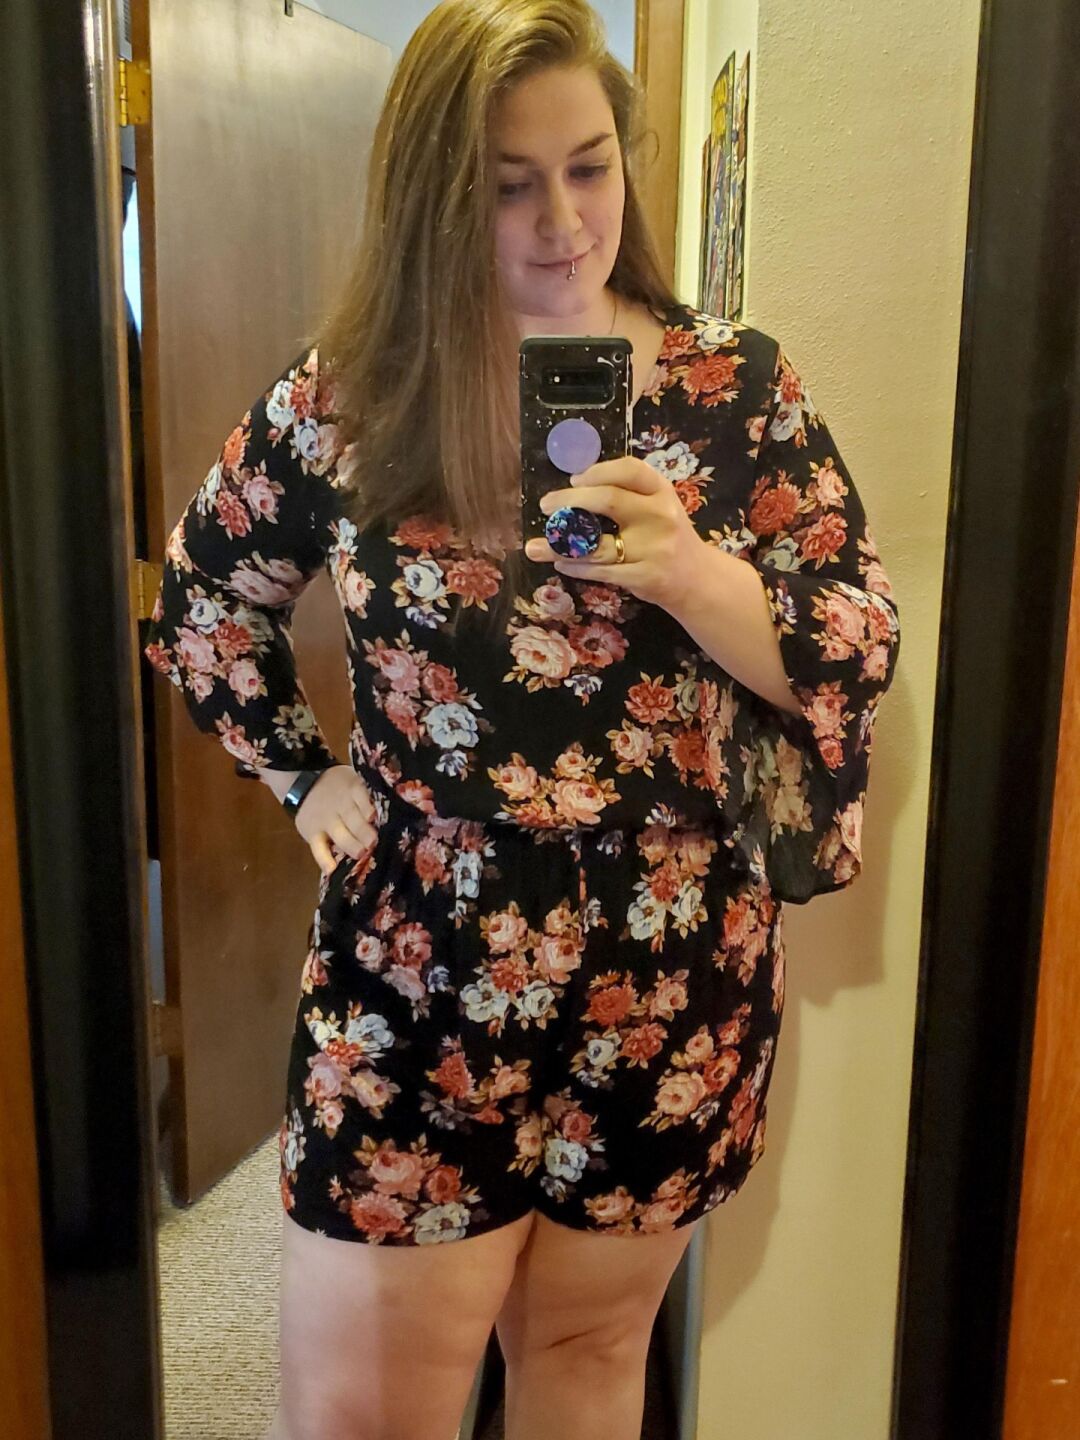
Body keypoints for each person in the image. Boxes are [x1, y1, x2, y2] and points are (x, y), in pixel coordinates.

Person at [142, 1, 901, 1436]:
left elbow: (854, 643)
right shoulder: (351, 396)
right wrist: (302, 778)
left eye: (590, 166)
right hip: (418, 959)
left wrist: (688, 569)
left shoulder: (737, 390)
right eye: (508, 186)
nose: (564, 223)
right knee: (367, 1406)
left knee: (592, 1357)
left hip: (673, 961)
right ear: (435, 203)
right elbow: (202, 601)